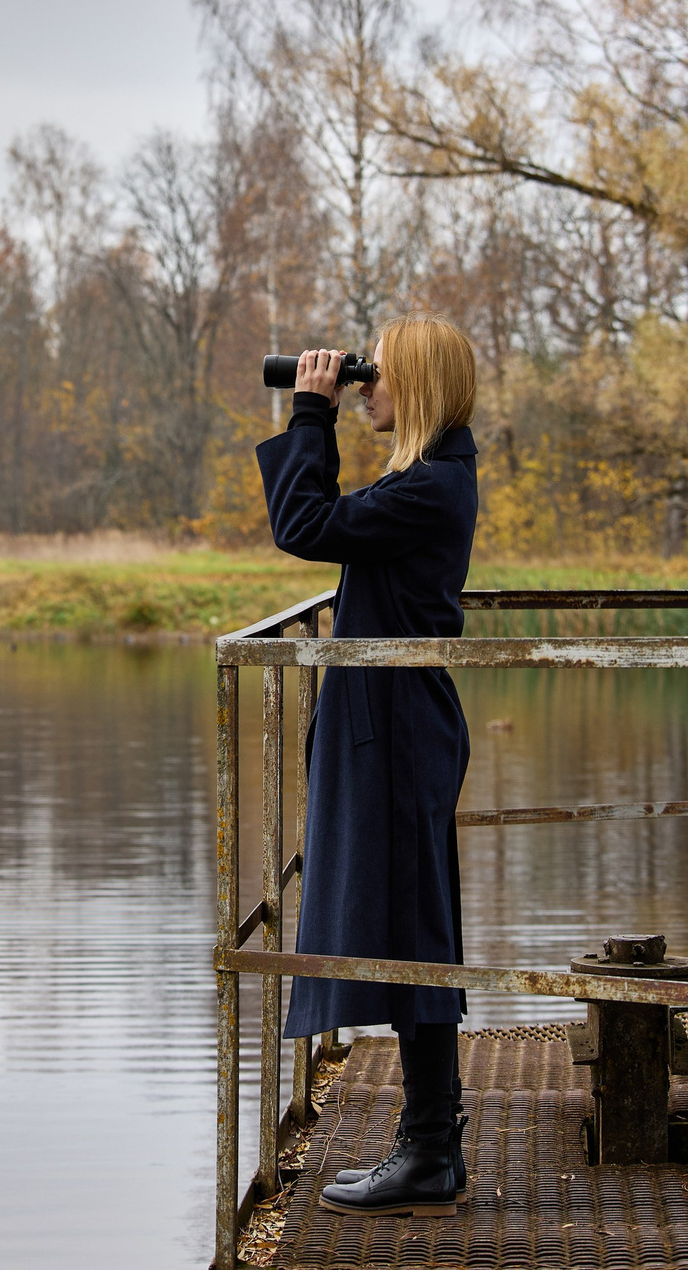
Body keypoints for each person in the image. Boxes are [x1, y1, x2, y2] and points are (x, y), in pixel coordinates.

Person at [257, 319, 479, 1219]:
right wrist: (321, 409)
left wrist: (311, 412)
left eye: (377, 377)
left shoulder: (429, 487)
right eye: (361, 378)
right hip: (388, 724)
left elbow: (304, 526)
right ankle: (429, 1145)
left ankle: (430, 1148)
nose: (365, 388)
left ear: (417, 387)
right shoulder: (427, 479)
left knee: (413, 929)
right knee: (404, 923)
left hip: (397, 728)